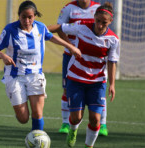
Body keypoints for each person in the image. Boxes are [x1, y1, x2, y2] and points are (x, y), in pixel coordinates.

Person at [0, 0, 81, 132]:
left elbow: (51, 37)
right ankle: (21, 106)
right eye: (23, 17)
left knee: (37, 113)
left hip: (35, 75)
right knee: (23, 118)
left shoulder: (40, 27)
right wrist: (3, 56)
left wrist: (70, 46)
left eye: (30, 17)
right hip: (15, 76)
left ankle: (37, 139)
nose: (27, 20)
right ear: (19, 15)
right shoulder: (10, 30)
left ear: (34, 16)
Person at [48, 2, 119, 147]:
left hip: (97, 81)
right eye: (97, 21)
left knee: (95, 119)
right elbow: (60, 27)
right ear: (94, 17)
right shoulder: (82, 27)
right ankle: (72, 130)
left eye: (103, 23)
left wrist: (112, 84)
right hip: (76, 78)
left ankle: (89, 145)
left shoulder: (113, 39)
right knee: (75, 118)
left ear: (110, 22)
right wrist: (38, 30)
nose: (99, 25)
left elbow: (112, 62)